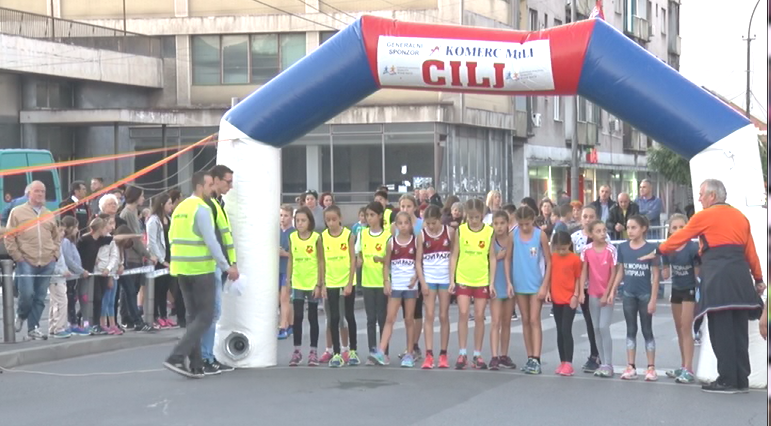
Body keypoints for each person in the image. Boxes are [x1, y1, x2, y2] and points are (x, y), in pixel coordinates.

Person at [641, 179, 764, 394]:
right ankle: (741, 379)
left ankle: (727, 380)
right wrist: (758, 278)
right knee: (739, 330)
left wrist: (659, 250)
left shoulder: (704, 216)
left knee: (720, 329)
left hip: (717, 275)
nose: (699, 199)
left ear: (712, 196)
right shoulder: (740, 217)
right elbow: (750, 251)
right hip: (740, 277)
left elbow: (680, 237)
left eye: (701, 194)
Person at [163, 171, 238, 378]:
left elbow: (172, 237)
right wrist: (226, 266)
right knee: (205, 316)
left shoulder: (180, 208)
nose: (212, 188)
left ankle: (196, 365)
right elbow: (211, 241)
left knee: (192, 317)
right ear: (199, 187)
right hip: (201, 269)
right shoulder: (202, 208)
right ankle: (177, 356)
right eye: (209, 185)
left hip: (181, 269)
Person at [7, 181, 61, 340]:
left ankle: (33, 328)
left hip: (47, 261)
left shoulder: (49, 213)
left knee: (40, 297)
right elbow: (9, 236)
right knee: (27, 294)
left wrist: (55, 255)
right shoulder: (17, 212)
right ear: (28, 193)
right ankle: (21, 314)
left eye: (43, 191)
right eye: (37, 191)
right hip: (26, 260)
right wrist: (18, 256)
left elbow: (56, 237)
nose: (40, 194)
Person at [200, 164, 237, 374]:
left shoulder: (217, 202)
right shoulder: (207, 204)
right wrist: (225, 264)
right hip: (210, 264)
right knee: (211, 312)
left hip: (218, 264)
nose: (230, 186)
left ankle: (207, 356)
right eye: (227, 182)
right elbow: (212, 239)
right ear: (215, 180)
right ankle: (204, 357)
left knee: (212, 312)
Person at [450, 198, 495, 370]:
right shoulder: (460, 230)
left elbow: (492, 257)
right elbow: (454, 255)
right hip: (463, 277)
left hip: (481, 279)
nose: (474, 220)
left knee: (479, 315)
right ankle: (462, 353)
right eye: (471, 217)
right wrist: (452, 279)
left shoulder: (489, 231)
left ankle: (477, 354)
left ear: (482, 215)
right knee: (463, 313)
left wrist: (491, 282)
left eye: (477, 217)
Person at [613, 215, 660, 381]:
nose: (630, 231)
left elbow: (656, 276)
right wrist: (612, 290)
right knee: (630, 329)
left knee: (647, 330)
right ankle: (630, 366)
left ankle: (651, 367)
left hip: (645, 294)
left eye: (634, 227)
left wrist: (653, 299)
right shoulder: (623, 248)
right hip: (628, 293)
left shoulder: (651, 248)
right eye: (628, 227)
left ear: (643, 229)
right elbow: (620, 272)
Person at [370, 212, 419, 367]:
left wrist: (416, 277)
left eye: (406, 223)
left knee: (409, 319)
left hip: (410, 286)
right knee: (390, 318)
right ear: (396, 225)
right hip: (396, 284)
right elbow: (386, 264)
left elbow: (419, 262)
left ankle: (409, 353)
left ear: (410, 225)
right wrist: (386, 281)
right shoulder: (391, 242)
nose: (403, 226)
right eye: (400, 223)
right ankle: (381, 351)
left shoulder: (415, 242)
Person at [511, 206, 551, 374]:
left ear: (532, 220)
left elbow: (549, 261)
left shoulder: (540, 235)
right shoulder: (513, 234)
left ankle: (536, 357)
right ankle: (529, 357)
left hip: (535, 283)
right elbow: (508, 257)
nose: (524, 227)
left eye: (527, 224)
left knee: (535, 319)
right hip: (519, 283)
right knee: (526, 320)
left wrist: (545, 286)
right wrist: (509, 282)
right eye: (521, 224)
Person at [661, 213, 700, 384]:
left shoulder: (692, 248)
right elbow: (666, 270)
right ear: (669, 230)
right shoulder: (667, 247)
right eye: (674, 227)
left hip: (689, 290)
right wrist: (664, 270)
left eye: (681, 227)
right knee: (678, 328)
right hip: (676, 289)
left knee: (686, 327)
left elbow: (698, 272)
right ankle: (683, 365)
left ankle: (689, 368)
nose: (678, 230)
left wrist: (698, 290)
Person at [319, 205, 359, 367]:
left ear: (340, 218)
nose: (331, 223)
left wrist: (349, 282)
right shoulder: (323, 237)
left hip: (346, 281)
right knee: (334, 318)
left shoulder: (348, 235)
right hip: (331, 282)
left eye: (334, 219)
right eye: (328, 220)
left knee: (349, 316)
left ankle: (352, 351)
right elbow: (322, 261)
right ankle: (336, 353)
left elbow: (352, 259)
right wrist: (322, 284)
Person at [570, 205, 608, 372]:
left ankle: (599, 354)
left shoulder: (603, 237)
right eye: (585, 216)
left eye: (591, 217)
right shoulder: (575, 238)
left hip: (598, 285)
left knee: (599, 323)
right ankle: (595, 353)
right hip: (583, 285)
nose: (588, 220)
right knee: (589, 320)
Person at [580, 220, 619, 378]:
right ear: (591, 234)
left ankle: (608, 363)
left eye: (604, 230)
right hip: (593, 293)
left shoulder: (611, 250)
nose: (603, 233)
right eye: (598, 231)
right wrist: (581, 291)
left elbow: (613, 273)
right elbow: (584, 271)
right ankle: (602, 362)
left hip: (606, 295)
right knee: (595, 328)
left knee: (604, 327)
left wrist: (607, 293)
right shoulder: (586, 250)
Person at [287, 207, 324, 367]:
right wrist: (288, 280)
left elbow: (321, 261)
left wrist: (319, 283)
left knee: (313, 317)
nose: (300, 223)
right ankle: (297, 351)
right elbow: (291, 259)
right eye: (297, 221)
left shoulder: (316, 238)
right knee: (298, 317)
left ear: (310, 222)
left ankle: (313, 351)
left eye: (303, 220)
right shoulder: (292, 237)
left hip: (312, 282)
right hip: (298, 282)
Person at [417, 205, 452, 369]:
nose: (430, 226)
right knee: (429, 315)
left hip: (445, 279)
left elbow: (454, 255)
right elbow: (418, 261)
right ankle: (429, 354)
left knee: (443, 315)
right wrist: (422, 282)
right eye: (428, 223)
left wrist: (452, 279)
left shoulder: (449, 232)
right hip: (429, 278)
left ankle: (443, 354)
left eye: (433, 223)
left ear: (440, 220)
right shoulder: (422, 235)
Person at [119, 185, 157, 331]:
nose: (143, 198)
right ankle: (127, 318)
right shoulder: (127, 213)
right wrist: (147, 254)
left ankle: (131, 317)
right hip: (130, 256)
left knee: (133, 289)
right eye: (141, 195)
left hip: (137, 256)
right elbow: (134, 238)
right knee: (128, 290)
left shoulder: (135, 212)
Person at [357, 202, 390, 365]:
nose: (369, 218)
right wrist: (359, 260)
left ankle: (384, 352)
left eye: (372, 215)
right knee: (370, 319)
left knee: (383, 318)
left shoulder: (387, 236)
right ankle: (372, 352)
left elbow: (390, 259)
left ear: (380, 216)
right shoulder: (362, 234)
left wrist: (381, 259)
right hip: (367, 281)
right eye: (367, 215)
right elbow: (358, 253)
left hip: (381, 281)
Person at [547, 231, 583, 376]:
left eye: (563, 248)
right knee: (559, 330)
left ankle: (569, 363)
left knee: (566, 329)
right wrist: (548, 291)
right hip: (556, 297)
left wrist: (576, 295)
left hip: (569, 298)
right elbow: (549, 276)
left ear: (569, 244)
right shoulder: (553, 257)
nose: (561, 251)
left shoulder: (575, 259)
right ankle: (562, 361)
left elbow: (578, 278)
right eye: (558, 249)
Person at [395, 194, 424, 361]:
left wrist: (419, 275)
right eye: (402, 206)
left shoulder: (421, 225)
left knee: (416, 311)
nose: (405, 209)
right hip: (401, 275)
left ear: (415, 207)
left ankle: (414, 345)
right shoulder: (396, 225)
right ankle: (410, 345)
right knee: (406, 313)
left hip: (417, 273)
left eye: (408, 206)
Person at [76, 216, 114, 335]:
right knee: (85, 298)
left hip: (91, 273)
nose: (107, 230)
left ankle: (95, 324)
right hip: (83, 273)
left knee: (97, 298)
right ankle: (83, 322)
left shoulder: (99, 240)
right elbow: (77, 254)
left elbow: (114, 238)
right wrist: (80, 269)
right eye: (105, 228)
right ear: (100, 229)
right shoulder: (84, 240)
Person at [488, 210, 515, 370]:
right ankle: (494, 356)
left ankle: (504, 355)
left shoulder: (512, 239)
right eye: (496, 223)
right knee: (495, 321)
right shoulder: (491, 240)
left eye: (502, 223)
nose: (499, 227)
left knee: (506, 321)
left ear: (507, 224)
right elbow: (485, 260)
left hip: (509, 282)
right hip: (496, 283)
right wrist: (496, 257)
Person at [146, 192, 176, 329]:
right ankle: (155, 316)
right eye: (169, 203)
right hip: (159, 258)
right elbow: (152, 242)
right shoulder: (153, 220)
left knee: (165, 288)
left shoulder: (169, 219)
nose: (171, 206)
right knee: (157, 289)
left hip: (169, 255)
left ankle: (164, 315)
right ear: (162, 204)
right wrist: (162, 260)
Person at [97, 223, 125, 335]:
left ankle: (112, 324)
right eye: (109, 223)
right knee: (105, 300)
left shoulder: (112, 241)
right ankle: (102, 323)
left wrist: (121, 264)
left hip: (113, 273)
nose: (112, 226)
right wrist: (109, 275)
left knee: (111, 301)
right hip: (107, 273)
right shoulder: (104, 241)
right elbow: (105, 258)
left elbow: (115, 257)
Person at [278, 204, 295, 340]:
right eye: (281, 215)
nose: (283, 218)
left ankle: (283, 326)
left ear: (291, 217)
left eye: (286, 216)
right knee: (281, 299)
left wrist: (285, 253)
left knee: (285, 297)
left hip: (288, 269)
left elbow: (297, 254)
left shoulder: (293, 233)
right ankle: (291, 324)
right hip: (276, 269)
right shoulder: (276, 231)